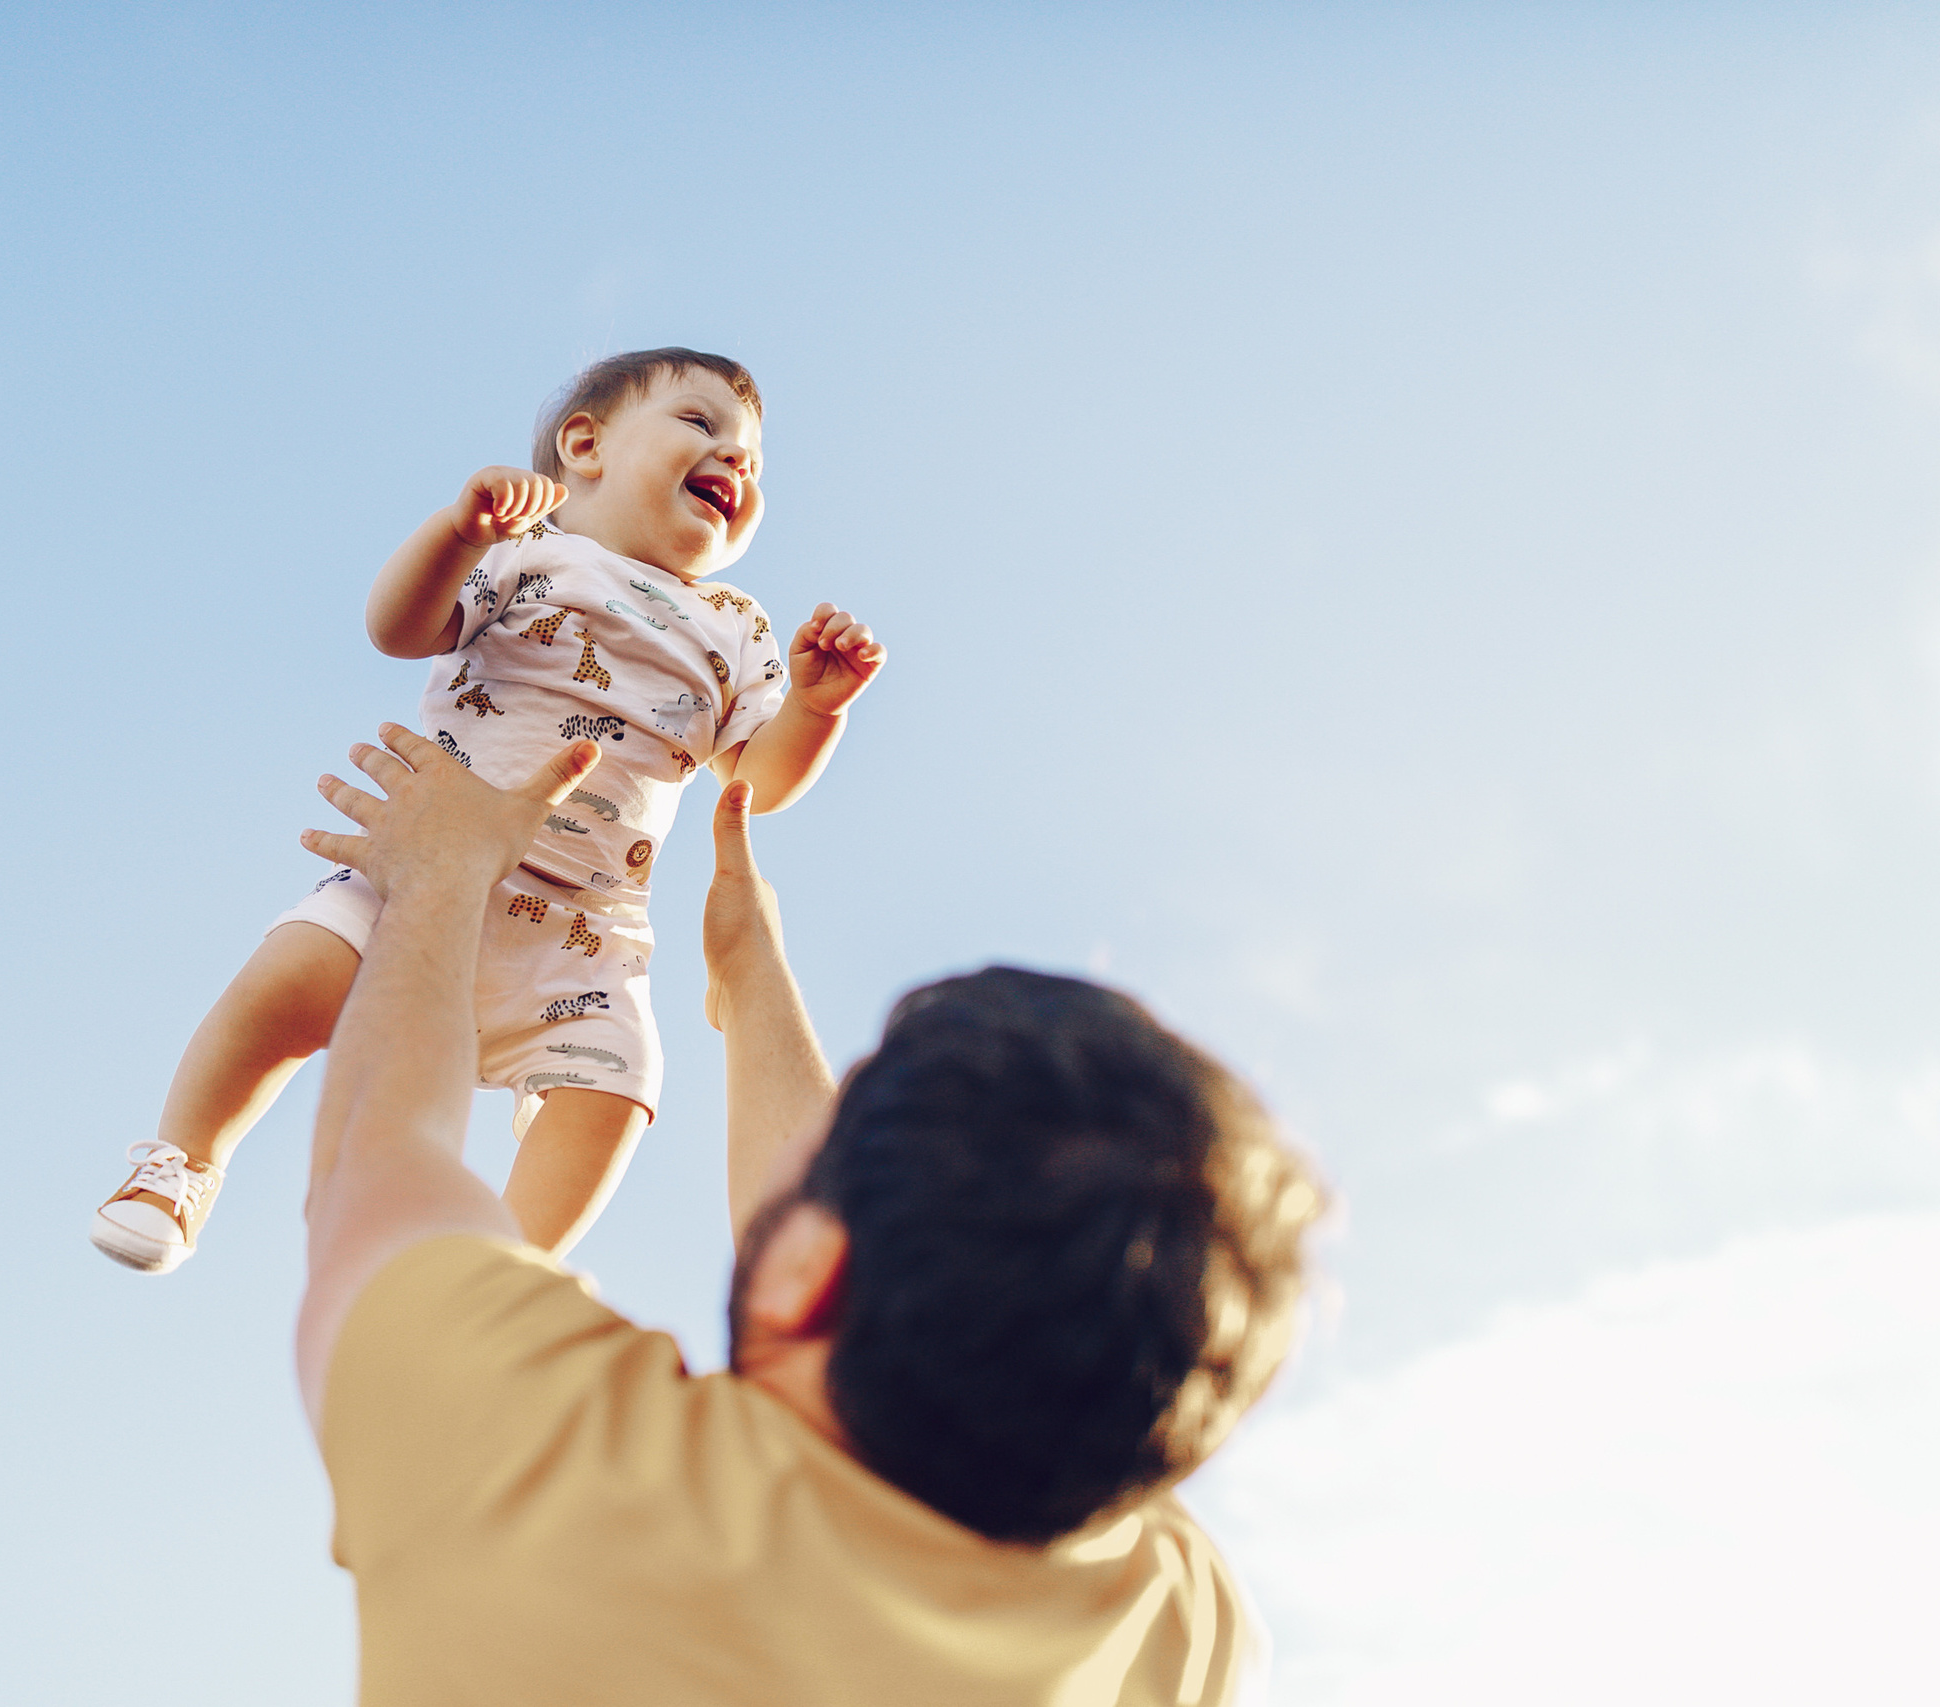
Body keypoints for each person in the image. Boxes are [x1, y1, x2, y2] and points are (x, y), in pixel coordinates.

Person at [295, 724, 1325, 1705]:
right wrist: (748, 978)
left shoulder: (546, 1461)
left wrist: (442, 870)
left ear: (810, 1270)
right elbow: (938, 1300)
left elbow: (372, 1168)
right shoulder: (1177, 1636)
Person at [90, 348, 885, 1273]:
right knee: (290, 977)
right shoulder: (529, 549)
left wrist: (817, 710)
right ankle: (181, 1160)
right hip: (422, 866)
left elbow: (758, 779)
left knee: (618, 1086)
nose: (737, 461)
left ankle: (501, 1271)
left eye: (753, 457)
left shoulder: (736, 629)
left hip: (581, 929)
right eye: (702, 424)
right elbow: (398, 628)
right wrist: (456, 532)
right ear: (583, 444)